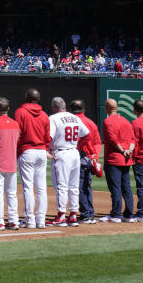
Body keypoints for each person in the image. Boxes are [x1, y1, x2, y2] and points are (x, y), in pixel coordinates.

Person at [47, 97, 89, 227]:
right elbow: (86, 134)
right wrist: (78, 146)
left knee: (62, 187)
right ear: (64, 106)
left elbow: (48, 137)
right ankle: (73, 215)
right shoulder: (75, 117)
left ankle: (60, 216)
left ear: (54, 107)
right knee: (74, 187)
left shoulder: (53, 118)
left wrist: (46, 150)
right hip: (74, 153)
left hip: (61, 154)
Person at [15, 88, 50, 229]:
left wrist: (17, 151)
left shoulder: (20, 112)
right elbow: (47, 136)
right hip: (41, 151)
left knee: (28, 187)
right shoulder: (44, 114)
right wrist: (45, 148)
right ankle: (41, 220)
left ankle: (30, 219)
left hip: (27, 151)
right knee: (41, 187)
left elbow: (18, 133)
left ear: (26, 97)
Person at [100, 98, 135, 223]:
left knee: (115, 188)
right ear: (117, 108)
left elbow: (112, 140)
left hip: (114, 159)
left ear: (107, 108)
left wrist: (123, 151)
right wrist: (129, 151)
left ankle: (115, 215)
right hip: (126, 160)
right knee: (126, 187)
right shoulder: (126, 121)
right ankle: (129, 215)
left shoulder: (107, 121)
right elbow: (133, 139)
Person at [0, 97, 21, 230]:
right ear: (8, 109)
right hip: (11, 163)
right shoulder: (15, 124)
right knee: (11, 193)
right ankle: (14, 221)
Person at [71, 99, 101, 224]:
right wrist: (94, 157)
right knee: (86, 186)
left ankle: (86, 214)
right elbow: (98, 142)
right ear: (84, 109)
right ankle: (89, 212)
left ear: (71, 110)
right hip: (89, 158)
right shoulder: (91, 123)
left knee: (79, 186)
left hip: (78, 157)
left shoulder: (73, 122)